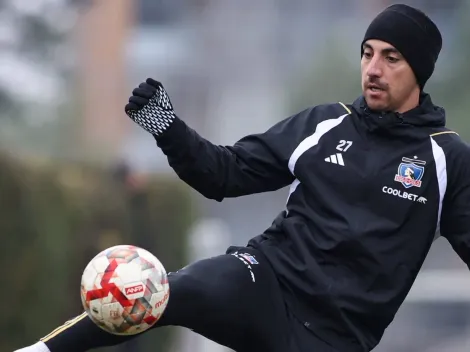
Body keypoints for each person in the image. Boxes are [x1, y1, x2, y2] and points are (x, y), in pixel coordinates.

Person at [15, 3, 470, 352]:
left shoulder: (447, 159)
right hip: (264, 282)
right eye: (368, 54)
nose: (373, 69)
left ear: (420, 72)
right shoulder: (325, 124)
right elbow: (224, 175)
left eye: (391, 58)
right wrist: (167, 127)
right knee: (154, 289)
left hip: (334, 339)